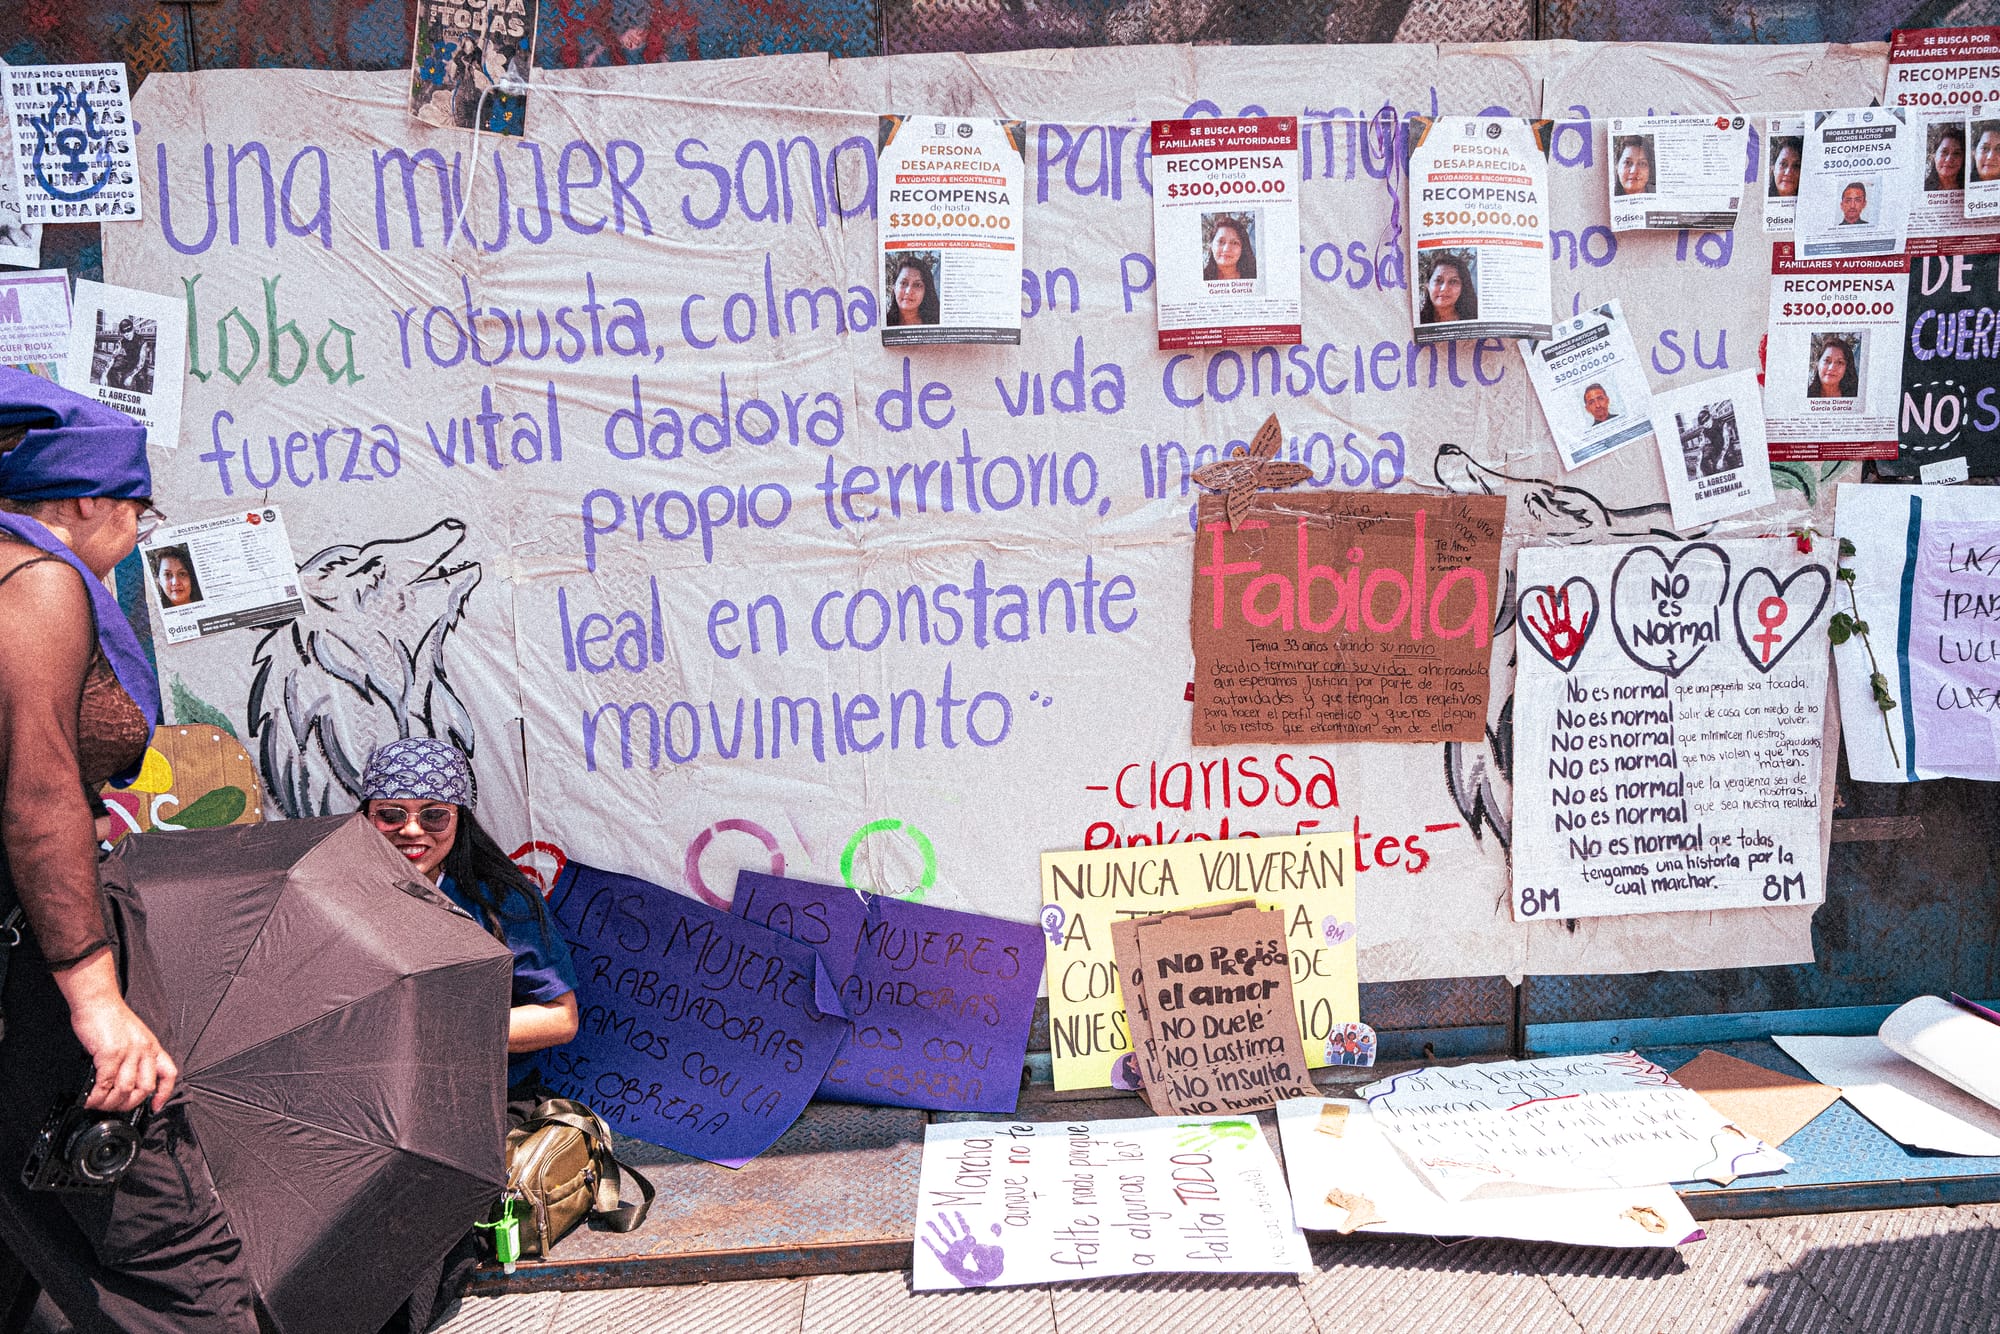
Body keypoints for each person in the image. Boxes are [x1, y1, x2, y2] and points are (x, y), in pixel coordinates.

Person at [0, 368, 258, 1332]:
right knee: (172, 1266)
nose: (139, 542)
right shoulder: (34, 580)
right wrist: (98, 1004)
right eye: (137, 518)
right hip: (31, 982)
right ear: (81, 499)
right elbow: (38, 799)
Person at [359, 738, 579, 1332]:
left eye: (434, 814)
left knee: (413, 1211)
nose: (413, 831)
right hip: (369, 1097)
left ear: (460, 817)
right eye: (391, 814)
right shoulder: (342, 899)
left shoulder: (498, 901)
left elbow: (560, 1017)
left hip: (474, 1100)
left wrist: (441, 1033)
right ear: (366, 817)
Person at [1419, 253, 1475, 325]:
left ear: (1462, 287)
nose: (1444, 288)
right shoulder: (1418, 320)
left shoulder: (1473, 318)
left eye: (1453, 281)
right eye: (1438, 280)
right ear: (1427, 285)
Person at [885, 255, 940, 327]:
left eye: (917, 285)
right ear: (894, 287)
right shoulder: (883, 321)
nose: (908, 291)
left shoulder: (937, 322)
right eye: (903, 283)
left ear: (925, 291)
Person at [1202, 216, 1256, 281]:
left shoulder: (1254, 277)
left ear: (1243, 248)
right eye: (1221, 241)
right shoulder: (1201, 277)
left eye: (1234, 243)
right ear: (1211, 245)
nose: (1226, 249)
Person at [1927, 125, 1965, 192]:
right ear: (1934, 156)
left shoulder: (1968, 186)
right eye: (1944, 152)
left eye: (1956, 153)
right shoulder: (1924, 188)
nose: (1948, 159)